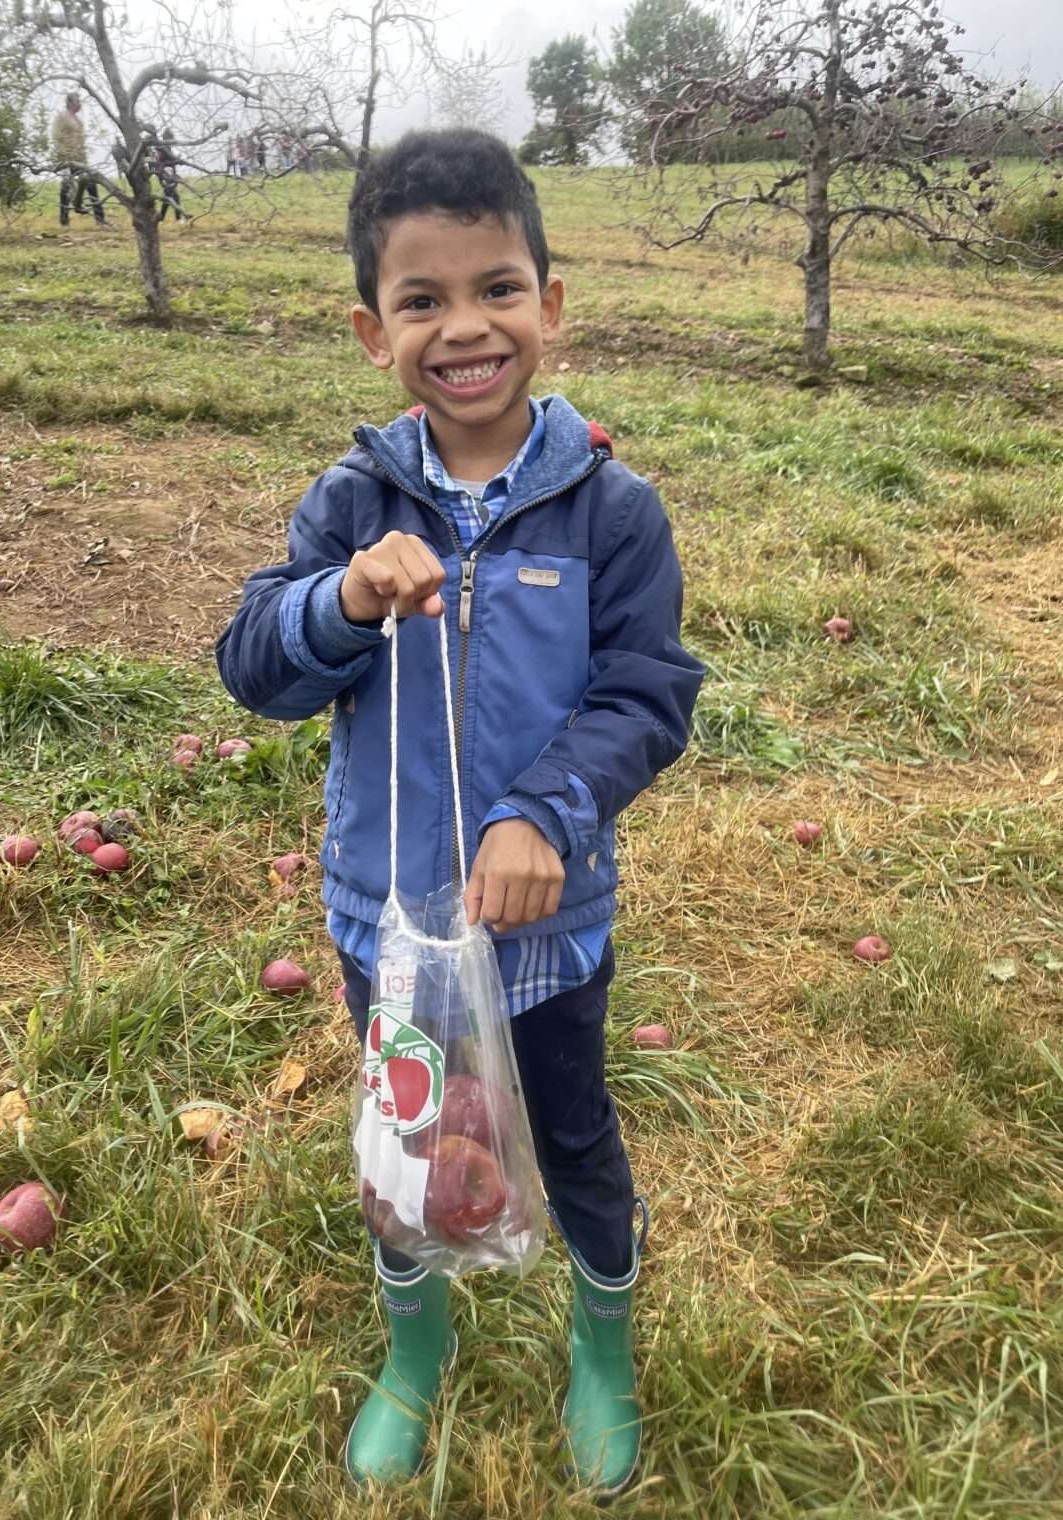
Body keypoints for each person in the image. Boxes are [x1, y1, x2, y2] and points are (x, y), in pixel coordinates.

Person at [215, 129, 704, 1495]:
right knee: (408, 1146)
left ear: (551, 302)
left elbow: (648, 690)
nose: (465, 328)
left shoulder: (611, 513)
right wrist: (342, 602)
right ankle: (411, 1354)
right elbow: (254, 665)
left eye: (497, 287)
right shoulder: (351, 502)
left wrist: (548, 809)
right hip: (395, 927)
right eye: (423, 301)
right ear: (375, 331)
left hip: (548, 927)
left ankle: (599, 1345)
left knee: (573, 1132)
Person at [51, 92, 104, 227]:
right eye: (76, 100)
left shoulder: (78, 121)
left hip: (80, 158)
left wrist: (84, 159)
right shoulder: (61, 117)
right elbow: (56, 136)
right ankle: (64, 220)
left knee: (91, 183)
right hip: (66, 158)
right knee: (65, 187)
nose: (79, 103)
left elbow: (81, 142)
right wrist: (62, 156)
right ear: (69, 103)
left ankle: (100, 219)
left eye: (79, 100)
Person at [151, 128, 185, 222]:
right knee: (174, 196)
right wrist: (176, 160)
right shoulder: (163, 148)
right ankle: (178, 219)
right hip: (166, 175)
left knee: (168, 197)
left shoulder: (164, 147)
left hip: (168, 175)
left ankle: (161, 218)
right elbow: (164, 161)